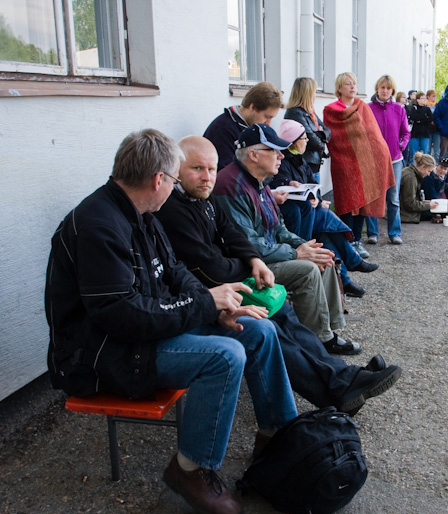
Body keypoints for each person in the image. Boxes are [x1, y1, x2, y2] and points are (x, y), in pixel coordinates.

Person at [45, 129, 298, 514]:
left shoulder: (140, 212)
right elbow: (121, 316)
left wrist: (216, 309)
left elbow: (176, 273)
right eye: (178, 179)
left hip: (142, 335)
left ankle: (277, 437)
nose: (179, 188)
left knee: (258, 331)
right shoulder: (98, 225)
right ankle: (191, 469)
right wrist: (203, 304)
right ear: (158, 180)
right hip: (101, 355)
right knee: (225, 355)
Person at [155, 135, 400, 415]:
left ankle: (343, 379)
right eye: (197, 169)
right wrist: (250, 265)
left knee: (284, 315)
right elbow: (208, 266)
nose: (207, 177)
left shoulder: (205, 197)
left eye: (211, 169)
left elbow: (232, 233)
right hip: (207, 294)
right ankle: (338, 390)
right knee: (269, 326)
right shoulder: (175, 209)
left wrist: (254, 259)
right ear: (175, 170)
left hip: (226, 283)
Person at [214, 124, 363, 354]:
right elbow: (249, 246)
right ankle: (318, 342)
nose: (281, 156)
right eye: (274, 150)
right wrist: (297, 253)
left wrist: (303, 246)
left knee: (322, 256)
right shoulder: (232, 186)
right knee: (308, 269)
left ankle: (329, 331)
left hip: (264, 259)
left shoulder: (258, 181)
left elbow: (280, 229)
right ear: (253, 155)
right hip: (247, 268)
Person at [272, 119, 378, 297]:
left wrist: (317, 199)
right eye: (304, 138)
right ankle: (351, 263)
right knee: (326, 219)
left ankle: (345, 280)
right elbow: (278, 185)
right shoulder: (283, 161)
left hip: (308, 214)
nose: (307, 141)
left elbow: (314, 186)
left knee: (327, 234)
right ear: (294, 141)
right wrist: (297, 190)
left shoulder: (300, 160)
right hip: (297, 219)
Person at [323, 72, 394, 253]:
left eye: (354, 83)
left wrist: (381, 156)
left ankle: (357, 242)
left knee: (362, 202)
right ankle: (346, 243)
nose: (353, 87)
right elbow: (333, 138)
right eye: (348, 84)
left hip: (363, 164)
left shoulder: (362, 106)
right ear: (339, 88)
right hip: (343, 164)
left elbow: (372, 135)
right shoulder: (330, 110)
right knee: (347, 202)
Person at [367, 74, 410, 245]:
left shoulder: (399, 109)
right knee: (373, 196)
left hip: (394, 160)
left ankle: (394, 232)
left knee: (393, 198)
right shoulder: (368, 108)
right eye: (382, 87)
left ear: (392, 90)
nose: (385, 91)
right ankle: (372, 232)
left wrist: (400, 146)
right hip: (373, 160)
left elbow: (405, 132)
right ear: (377, 89)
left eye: (388, 88)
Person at [203, 81, 284, 170]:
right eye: (267, 117)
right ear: (252, 107)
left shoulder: (251, 128)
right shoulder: (224, 129)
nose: (268, 123)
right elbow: (227, 172)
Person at [283, 77, 331, 182]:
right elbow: (314, 141)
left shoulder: (309, 112)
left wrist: (319, 134)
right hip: (304, 165)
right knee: (311, 197)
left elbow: (328, 130)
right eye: (314, 92)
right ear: (307, 93)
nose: (315, 95)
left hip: (314, 164)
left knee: (316, 197)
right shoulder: (295, 113)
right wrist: (321, 134)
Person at [407, 91, 433, 165]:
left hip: (425, 133)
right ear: (417, 99)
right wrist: (423, 119)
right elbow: (414, 117)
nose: (424, 100)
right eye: (422, 98)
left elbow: (430, 119)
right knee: (414, 153)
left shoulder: (427, 109)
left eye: (425, 98)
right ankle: (413, 167)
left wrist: (421, 121)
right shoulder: (413, 108)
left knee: (424, 152)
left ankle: (424, 166)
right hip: (415, 133)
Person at [396, 91, 411, 165]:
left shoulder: (407, 108)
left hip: (406, 133)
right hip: (398, 134)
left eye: (405, 97)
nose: (405, 99)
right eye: (403, 97)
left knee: (406, 153)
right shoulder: (396, 108)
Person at [426, 89, 440, 160]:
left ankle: (437, 164)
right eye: (432, 96)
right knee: (427, 149)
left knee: (437, 150)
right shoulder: (425, 106)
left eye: (435, 96)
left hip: (436, 130)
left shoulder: (438, 105)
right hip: (427, 130)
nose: (434, 98)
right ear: (428, 97)